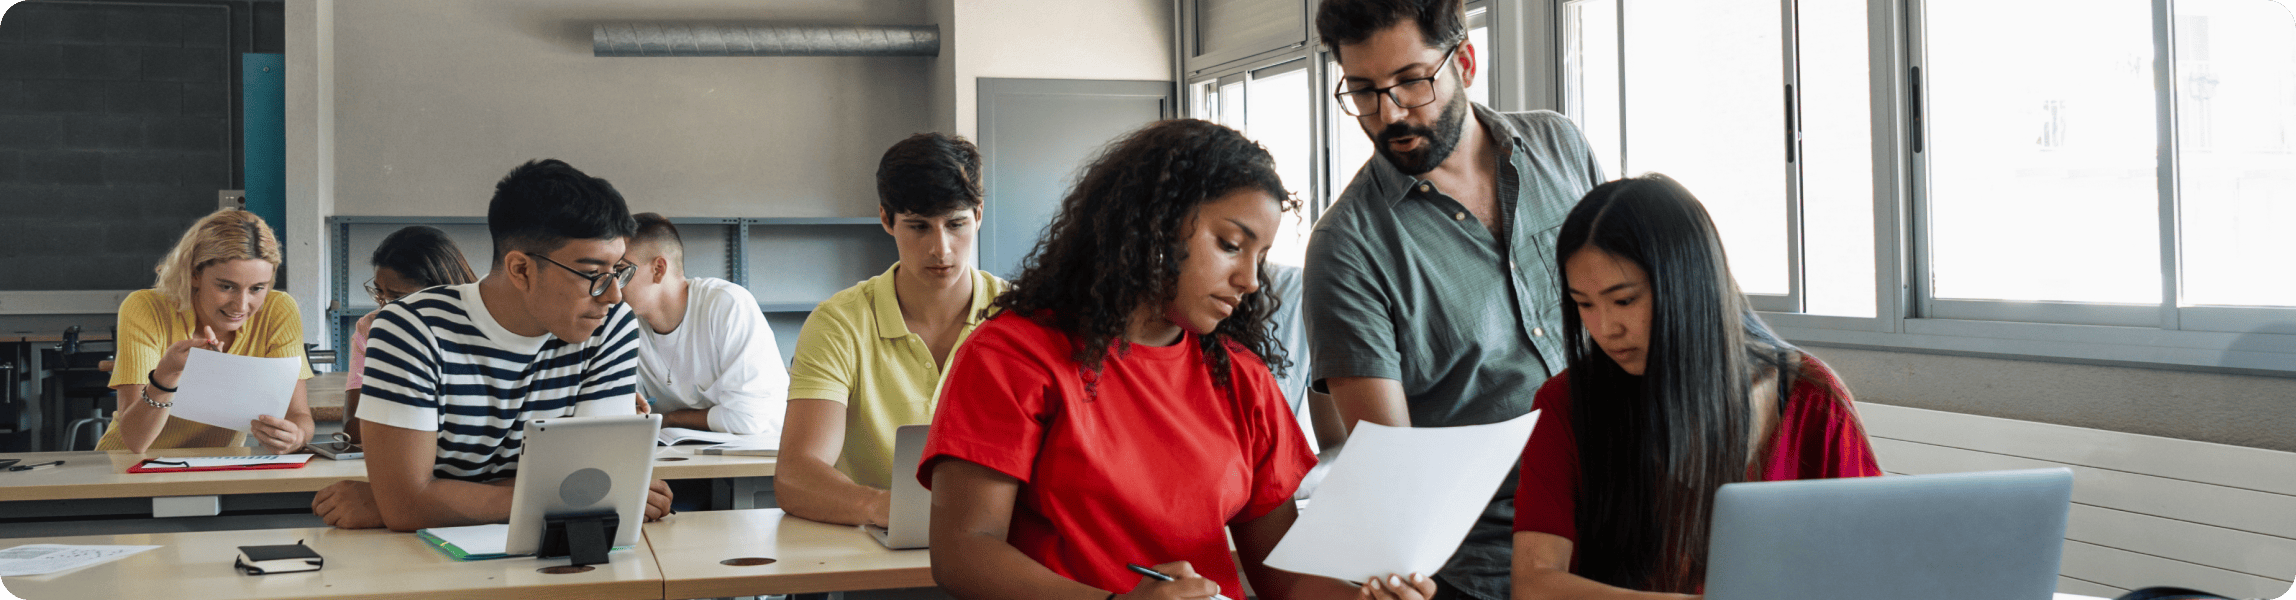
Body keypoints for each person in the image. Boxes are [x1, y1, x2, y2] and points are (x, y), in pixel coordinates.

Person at [920, 119, 1435, 600]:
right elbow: (964, 550)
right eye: (1231, 245)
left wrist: (1366, 597)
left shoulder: (1241, 378)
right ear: (1156, 226)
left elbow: (1287, 577)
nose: (1251, 281)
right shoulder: (1012, 356)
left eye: (1260, 256)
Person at [1305, 0, 1605, 597]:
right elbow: (1390, 471)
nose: (1388, 113)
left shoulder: (1560, 145)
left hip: (1627, 521)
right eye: (1363, 91)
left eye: (1411, 82)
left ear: (1465, 62)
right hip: (1491, 570)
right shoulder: (1346, 248)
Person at [1510, 174, 1883, 598]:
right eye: (1584, 305)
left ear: (1689, 284)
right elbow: (1534, 583)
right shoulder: (1564, 403)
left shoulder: (1811, 396)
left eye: (1624, 300)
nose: (1604, 328)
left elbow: (1869, 565)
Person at [310, 159, 672, 531]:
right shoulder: (409, 329)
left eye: (618, 272)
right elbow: (406, 508)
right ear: (521, 269)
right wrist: (565, 496)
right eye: (594, 275)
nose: (613, 295)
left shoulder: (610, 326)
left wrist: (424, 498)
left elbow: (594, 485)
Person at [777, 132, 1008, 527]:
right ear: (886, 219)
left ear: (980, 215)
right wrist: (887, 509)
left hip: (998, 548)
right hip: (874, 554)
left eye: (956, 224)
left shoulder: (1023, 318)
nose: (942, 249)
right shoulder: (840, 323)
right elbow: (796, 473)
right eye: (919, 227)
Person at [99, 208, 316, 454]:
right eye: (226, 286)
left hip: (215, 468)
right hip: (128, 467)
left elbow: (299, 416)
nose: (242, 306)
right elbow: (135, 441)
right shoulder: (145, 308)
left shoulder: (278, 309)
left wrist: (296, 437)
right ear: (194, 274)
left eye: (257, 288)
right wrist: (166, 375)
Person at [621, 212, 789, 436]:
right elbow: (628, 413)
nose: (611, 286)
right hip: (675, 458)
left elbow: (750, 419)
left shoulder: (727, 304)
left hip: (752, 458)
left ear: (658, 269)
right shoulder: (625, 323)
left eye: (620, 271)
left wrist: (671, 419)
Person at [342, 225, 478, 444]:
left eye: (397, 298)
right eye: (378, 292)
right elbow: (354, 432)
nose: (385, 307)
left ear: (440, 289)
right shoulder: (371, 327)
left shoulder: (482, 329)